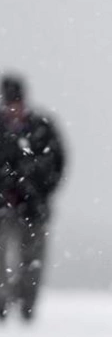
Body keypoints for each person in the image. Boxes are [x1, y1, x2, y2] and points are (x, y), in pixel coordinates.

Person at [0, 74, 66, 321]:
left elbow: (57, 165)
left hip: (34, 208)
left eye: (16, 102)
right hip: (3, 205)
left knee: (32, 260)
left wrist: (36, 187)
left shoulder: (42, 128)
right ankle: (2, 305)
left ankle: (27, 305)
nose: (13, 108)